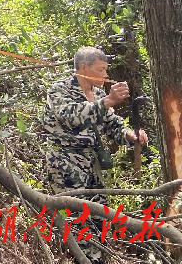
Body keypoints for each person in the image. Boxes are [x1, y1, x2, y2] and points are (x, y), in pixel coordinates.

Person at [42, 46, 148, 263]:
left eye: (106, 70)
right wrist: (107, 101)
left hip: (92, 164)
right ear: (83, 68)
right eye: (101, 70)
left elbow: (111, 124)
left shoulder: (98, 93)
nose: (106, 76)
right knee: (76, 219)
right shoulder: (59, 90)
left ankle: (98, 258)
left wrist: (130, 134)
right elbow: (69, 116)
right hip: (65, 162)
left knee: (99, 217)